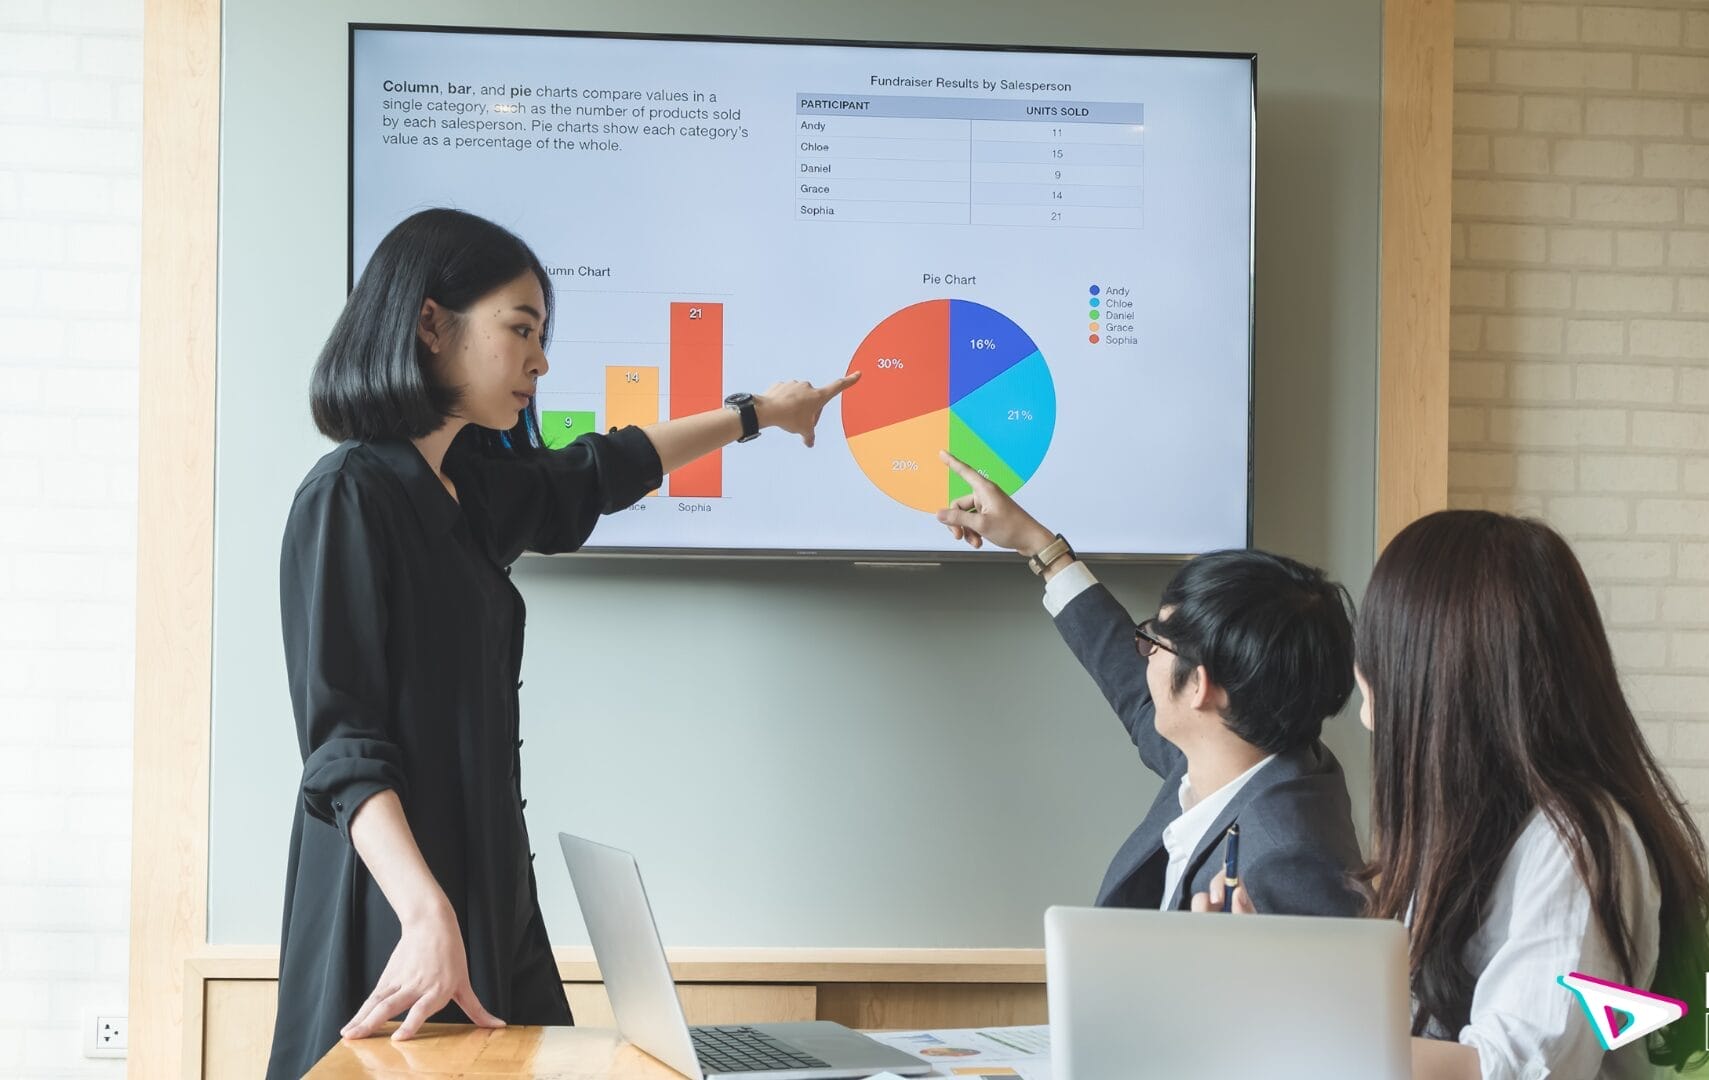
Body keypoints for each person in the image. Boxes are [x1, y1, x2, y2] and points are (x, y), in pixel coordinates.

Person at [266, 208, 857, 1079]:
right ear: (431, 324)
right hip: (396, 907)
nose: (540, 361)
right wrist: (427, 916)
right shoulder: (349, 495)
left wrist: (759, 413)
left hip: (490, 895)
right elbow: (342, 748)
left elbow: (601, 469)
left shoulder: (469, 486)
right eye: (521, 330)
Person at [1196, 510, 1709, 1080]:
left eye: (1379, 643)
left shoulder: (1574, 843)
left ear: (1433, 668)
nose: (1361, 671)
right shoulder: (1469, 828)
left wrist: (1272, 1018)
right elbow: (1416, 1027)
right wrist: (1261, 976)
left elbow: (1507, 1069)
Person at [934, 452, 1365, 917]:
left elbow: (1316, 990)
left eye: (1154, 641)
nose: (1144, 655)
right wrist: (1039, 547)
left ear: (1200, 687)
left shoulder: (1287, 859)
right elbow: (1134, 689)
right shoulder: (1240, 754)